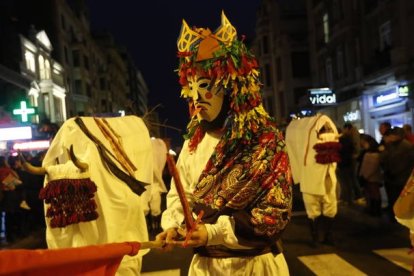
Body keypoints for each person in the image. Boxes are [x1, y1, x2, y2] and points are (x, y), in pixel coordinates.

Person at [157, 12, 292, 275]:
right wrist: (173, 225)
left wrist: (213, 233)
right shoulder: (194, 141)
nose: (196, 97)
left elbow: (275, 214)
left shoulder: (264, 141)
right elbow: (179, 193)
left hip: (255, 265)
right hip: (206, 267)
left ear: (232, 86)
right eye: (191, 87)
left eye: (205, 85)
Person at [286, 114, 341, 247]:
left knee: (330, 208)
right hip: (311, 181)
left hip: (328, 179)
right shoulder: (310, 146)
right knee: (313, 210)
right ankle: (315, 237)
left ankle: (328, 235)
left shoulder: (330, 150)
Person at [381, 127, 414, 222]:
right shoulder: (390, 145)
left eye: (393, 135)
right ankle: (394, 214)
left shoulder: (407, 146)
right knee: (392, 197)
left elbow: (408, 162)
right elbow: (385, 157)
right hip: (390, 176)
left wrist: (396, 172)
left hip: (401, 177)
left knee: (399, 198)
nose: (391, 137)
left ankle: (400, 216)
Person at [142, 138, 168, 234]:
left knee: (154, 206)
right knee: (148, 206)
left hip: (154, 183)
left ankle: (154, 227)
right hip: (148, 182)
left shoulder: (157, 144)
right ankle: (150, 227)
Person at [358, 134, 383, 216]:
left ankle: (376, 210)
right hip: (368, 176)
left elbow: (372, 166)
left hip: (371, 177)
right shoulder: (367, 152)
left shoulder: (372, 153)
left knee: (374, 193)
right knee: (371, 193)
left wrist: (365, 176)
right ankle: (372, 209)